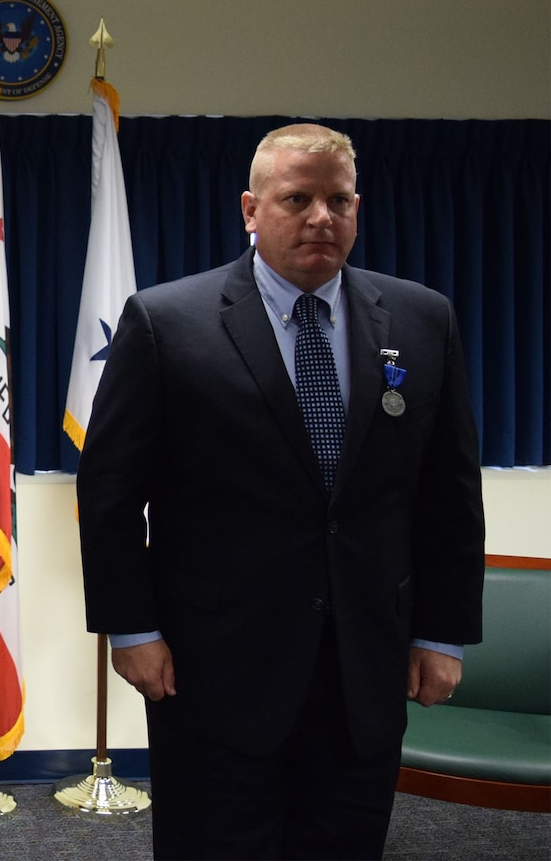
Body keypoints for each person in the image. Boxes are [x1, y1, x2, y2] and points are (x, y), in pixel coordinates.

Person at [76, 123, 485, 859]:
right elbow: (109, 493)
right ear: (251, 209)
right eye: (297, 198)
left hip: (366, 663)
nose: (321, 217)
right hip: (211, 667)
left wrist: (440, 631)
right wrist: (130, 631)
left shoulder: (423, 321)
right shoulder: (169, 322)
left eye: (339, 200)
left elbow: (448, 492)